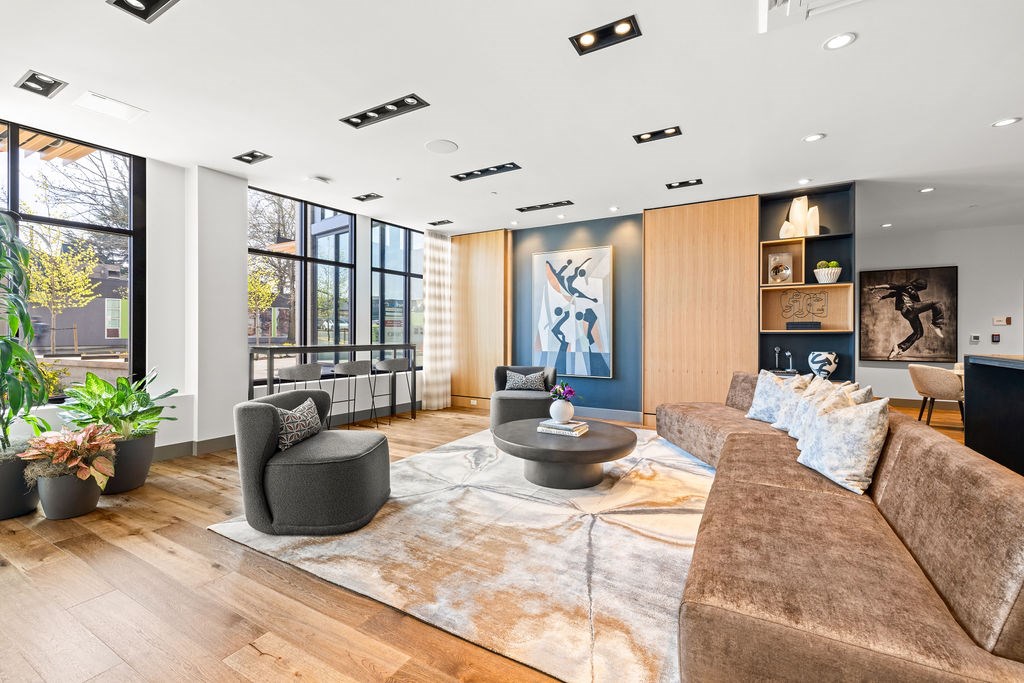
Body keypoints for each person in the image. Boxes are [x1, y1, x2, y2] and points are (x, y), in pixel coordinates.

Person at [868, 278, 945, 359]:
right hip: (909, 308)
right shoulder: (906, 285)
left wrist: (883, 297)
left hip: (910, 313)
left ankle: (899, 348)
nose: (919, 290)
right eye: (920, 288)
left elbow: (893, 294)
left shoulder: (906, 291)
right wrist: (875, 287)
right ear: (917, 285)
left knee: (919, 333)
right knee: (937, 302)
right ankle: (936, 324)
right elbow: (890, 286)